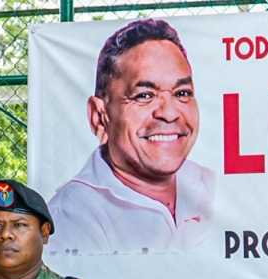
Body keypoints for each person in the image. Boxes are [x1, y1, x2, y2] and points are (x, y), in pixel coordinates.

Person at [47, 18, 215, 256]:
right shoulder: (72, 214)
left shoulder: (214, 185)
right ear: (100, 116)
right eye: (144, 95)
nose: (168, 113)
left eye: (182, 93)